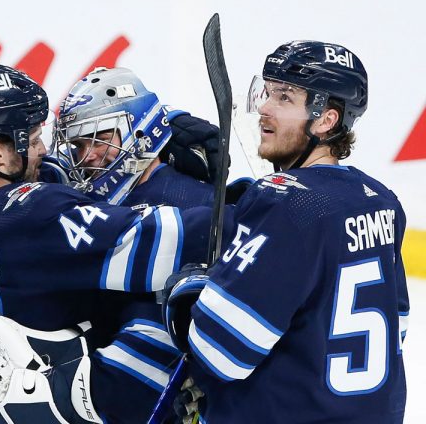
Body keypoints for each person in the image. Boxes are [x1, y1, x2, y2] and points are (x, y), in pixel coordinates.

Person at [0, 63, 213, 423]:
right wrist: (251, 201)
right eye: (32, 140)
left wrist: (160, 124)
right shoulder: (41, 214)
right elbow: (184, 239)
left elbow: (49, 180)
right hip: (68, 405)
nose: (43, 149)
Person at [163, 41, 409, 423]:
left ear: (325, 120)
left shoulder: (286, 204)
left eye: (285, 97)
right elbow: (398, 329)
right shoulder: (381, 200)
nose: (264, 106)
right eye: (267, 91)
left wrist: (194, 292)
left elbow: (220, 352)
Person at [54, 66, 218, 209]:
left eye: (100, 141)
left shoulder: (198, 203)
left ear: (140, 132)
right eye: (79, 145)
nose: (86, 157)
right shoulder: (76, 200)